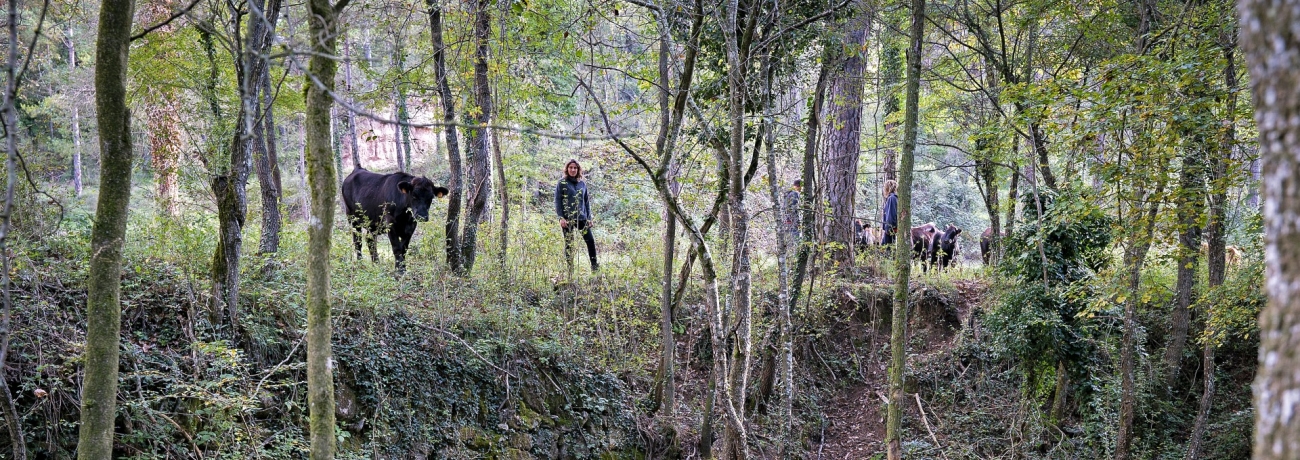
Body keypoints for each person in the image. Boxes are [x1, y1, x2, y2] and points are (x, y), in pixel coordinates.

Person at [556, 159, 598, 272]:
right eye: (571, 167)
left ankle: (595, 268)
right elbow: (558, 201)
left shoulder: (582, 184)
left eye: (575, 168)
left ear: (578, 169)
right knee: (569, 244)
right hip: (568, 219)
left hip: (582, 218)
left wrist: (589, 218)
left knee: (590, 241)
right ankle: (570, 270)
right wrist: (561, 217)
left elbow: (586, 202)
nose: (573, 169)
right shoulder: (562, 183)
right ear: (567, 169)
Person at [881, 180, 899, 245]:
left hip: (891, 231)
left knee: (887, 251)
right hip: (891, 230)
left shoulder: (892, 198)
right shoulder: (894, 198)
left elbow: (891, 215)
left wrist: (889, 230)